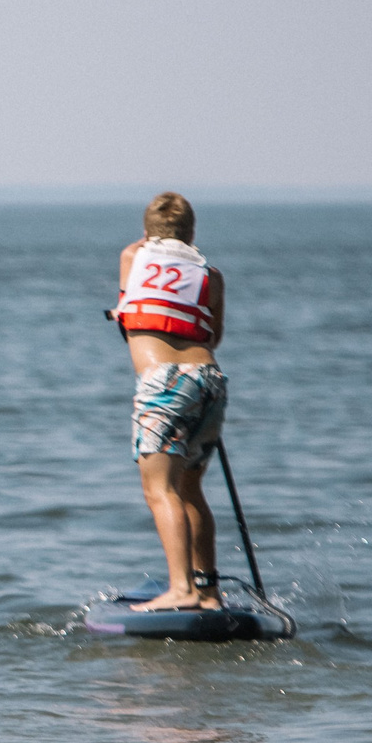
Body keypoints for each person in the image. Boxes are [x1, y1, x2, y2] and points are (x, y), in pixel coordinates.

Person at [109, 193, 228, 610]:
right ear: (192, 233)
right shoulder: (210, 275)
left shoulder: (131, 257)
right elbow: (213, 336)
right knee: (191, 488)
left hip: (163, 385)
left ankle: (181, 589)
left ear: (146, 233)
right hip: (209, 380)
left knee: (160, 491)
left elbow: (126, 321)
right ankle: (209, 591)